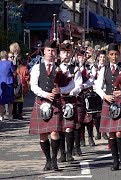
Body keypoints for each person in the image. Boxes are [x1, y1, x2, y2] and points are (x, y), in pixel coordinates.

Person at [95, 43, 121, 171]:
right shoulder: (104, 69)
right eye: (112, 55)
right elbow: (97, 86)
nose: (114, 57)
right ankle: (115, 161)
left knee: (120, 132)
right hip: (109, 102)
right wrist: (104, 96)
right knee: (112, 134)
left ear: (119, 55)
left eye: (116, 55)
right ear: (108, 56)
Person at [29, 40, 66, 171]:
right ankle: (48, 160)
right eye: (48, 50)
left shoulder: (60, 68)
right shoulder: (37, 68)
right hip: (41, 101)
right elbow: (33, 85)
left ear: (55, 53)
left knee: (55, 132)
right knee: (43, 135)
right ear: (44, 51)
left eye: (53, 51)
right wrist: (45, 94)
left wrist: (61, 90)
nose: (50, 53)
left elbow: (70, 84)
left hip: (55, 102)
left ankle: (55, 160)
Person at [57, 43, 82, 163]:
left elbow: (79, 85)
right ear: (59, 54)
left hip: (70, 99)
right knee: (60, 128)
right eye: (63, 52)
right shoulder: (56, 68)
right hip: (58, 100)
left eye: (68, 52)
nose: (66, 54)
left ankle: (69, 152)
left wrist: (70, 92)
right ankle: (62, 153)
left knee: (69, 128)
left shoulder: (74, 68)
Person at [0, 51, 15, 121]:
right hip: (9, 83)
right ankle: (10, 115)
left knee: (2, 101)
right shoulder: (9, 63)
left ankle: (1, 115)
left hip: (1, 83)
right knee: (10, 101)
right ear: (6, 56)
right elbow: (13, 71)